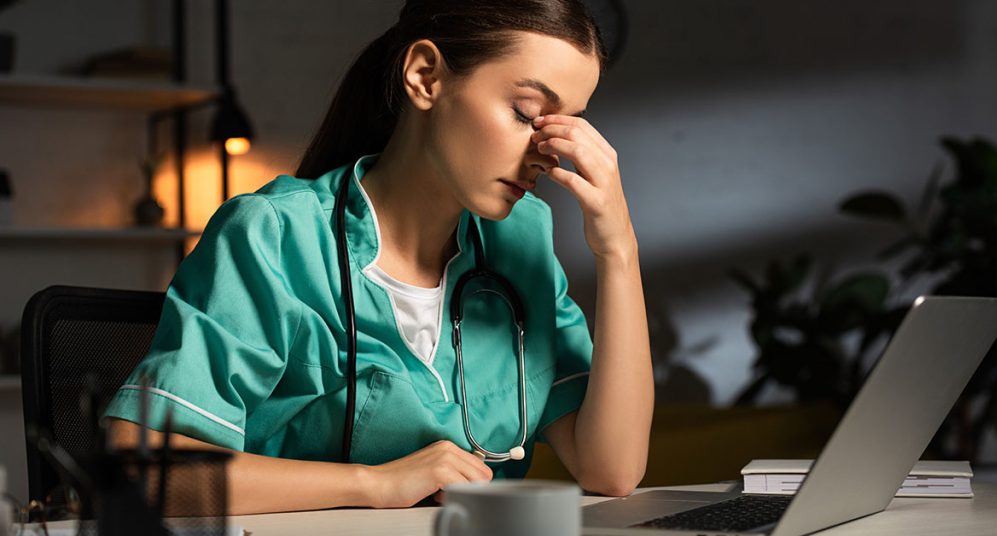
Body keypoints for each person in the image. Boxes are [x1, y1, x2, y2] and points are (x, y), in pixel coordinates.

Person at [104, 0, 653, 514]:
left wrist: (618, 250)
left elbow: (612, 471)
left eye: (566, 125)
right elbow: (142, 470)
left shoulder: (521, 241)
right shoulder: (276, 235)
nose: (547, 150)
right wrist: (375, 484)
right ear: (425, 77)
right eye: (526, 112)